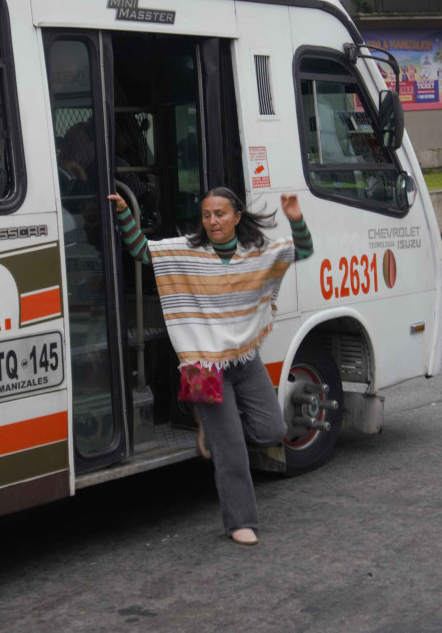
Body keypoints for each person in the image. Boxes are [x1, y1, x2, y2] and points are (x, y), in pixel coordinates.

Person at [107, 187, 314, 546]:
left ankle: (214, 431)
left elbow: (304, 250)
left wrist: (295, 217)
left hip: (244, 360)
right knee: (232, 449)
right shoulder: (188, 252)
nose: (213, 221)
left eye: (220, 214)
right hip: (204, 367)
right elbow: (141, 250)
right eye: (206, 215)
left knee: (272, 430)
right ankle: (240, 522)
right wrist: (126, 211)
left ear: (236, 216)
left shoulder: (257, 253)